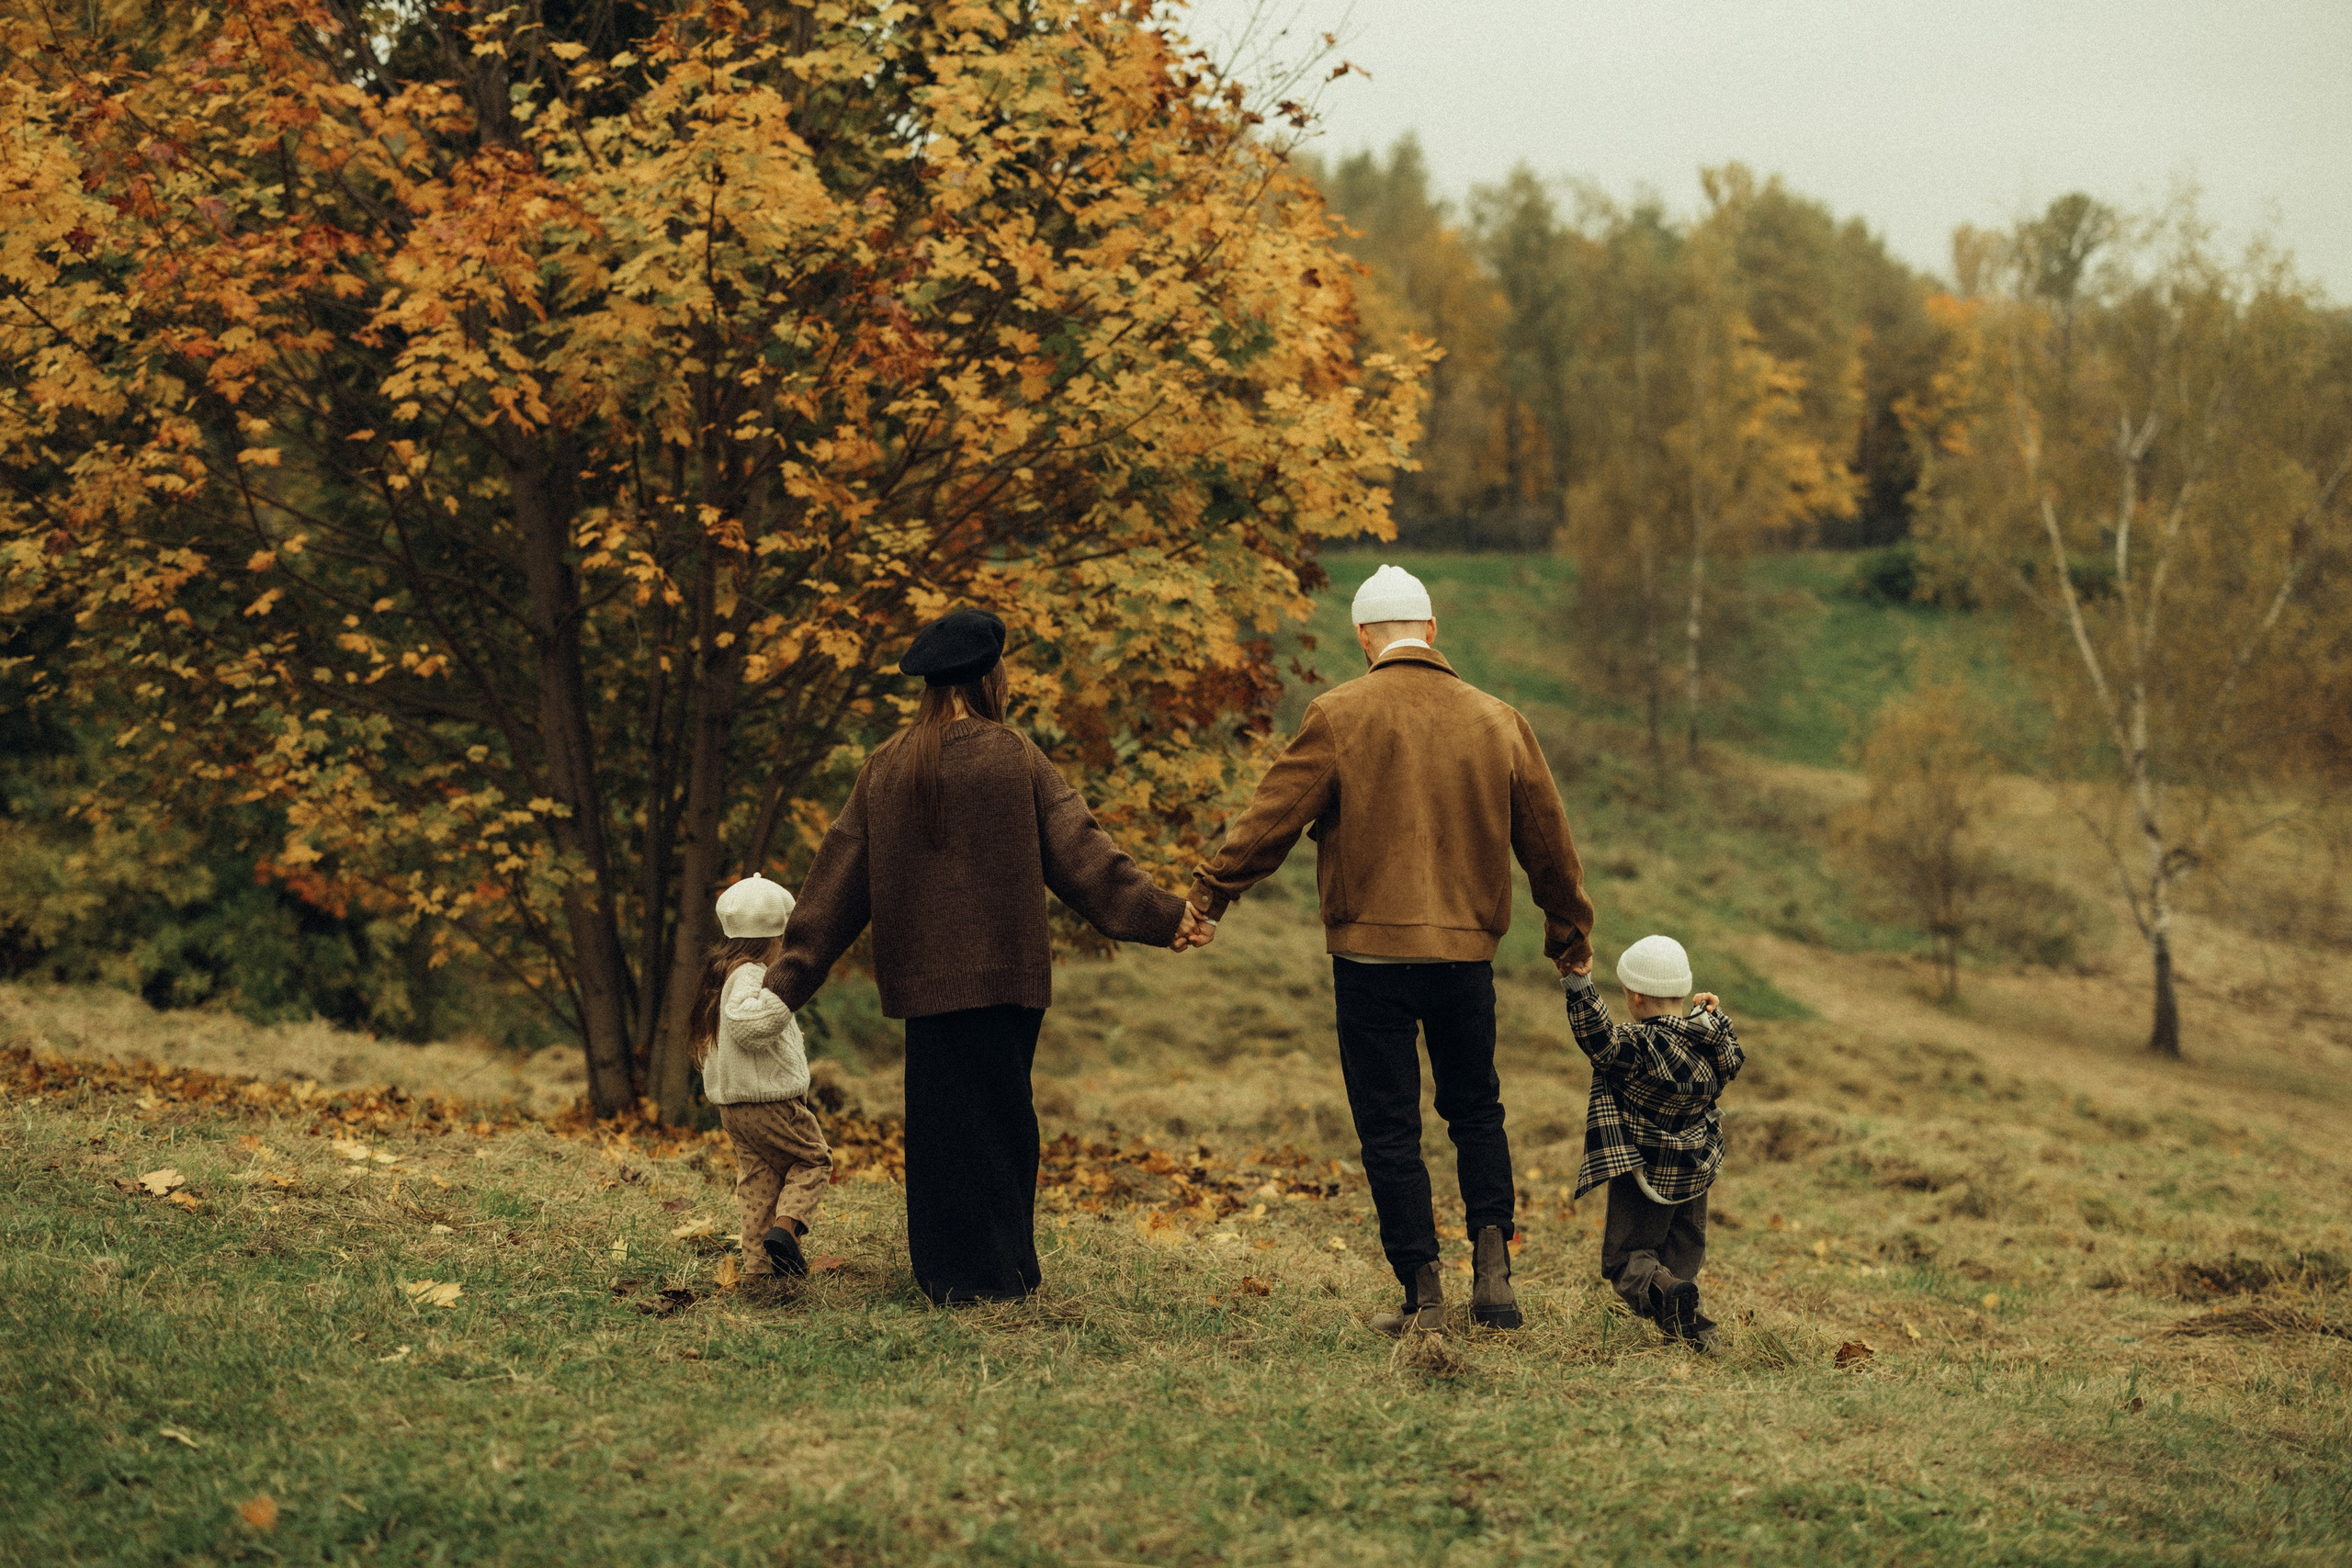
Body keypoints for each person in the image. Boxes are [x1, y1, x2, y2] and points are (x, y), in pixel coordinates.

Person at [1180, 564, 1595, 1336]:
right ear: (1432, 631)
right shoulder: (1499, 720)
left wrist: (1208, 896)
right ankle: (1495, 1269)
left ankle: (1424, 1294)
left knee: (1389, 1127)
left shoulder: (1338, 715)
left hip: (1369, 960)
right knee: (1476, 1110)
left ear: (1365, 638)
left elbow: (1270, 821)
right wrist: (1569, 935)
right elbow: (1548, 841)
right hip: (1466, 959)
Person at [765, 608, 1204, 1303]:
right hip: (1007, 980)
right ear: (990, 674)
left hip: (925, 984)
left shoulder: (886, 764)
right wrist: (1164, 914)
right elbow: (1084, 855)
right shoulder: (1015, 754)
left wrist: (782, 983)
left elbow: (834, 884)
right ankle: (1005, 1274)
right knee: (1003, 1121)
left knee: (940, 1129)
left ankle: (945, 1277)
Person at [1564, 933, 1745, 1352]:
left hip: (1645, 1169)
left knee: (1626, 1259)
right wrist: (1713, 1016)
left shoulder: (1641, 1045)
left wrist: (1579, 985)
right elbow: (1731, 1052)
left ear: (1636, 996)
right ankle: (1691, 1325)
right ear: (1683, 991)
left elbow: (1599, 1040)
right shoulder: (1710, 1043)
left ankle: (1664, 1293)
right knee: (1682, 1255)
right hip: (1695, 1167)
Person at [689, 873, 832, 1289]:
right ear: (776, 939)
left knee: (759, 1183)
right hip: (769, 1103)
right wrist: (789, 990)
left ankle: (758, 1273)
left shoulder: (723, 976)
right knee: (813, 1159)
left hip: (734, 1108)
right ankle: (786, 1231)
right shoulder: (750, 974)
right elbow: (752, 1025)